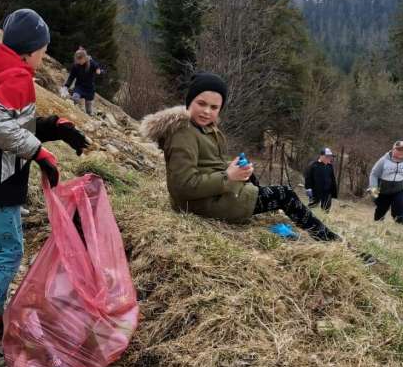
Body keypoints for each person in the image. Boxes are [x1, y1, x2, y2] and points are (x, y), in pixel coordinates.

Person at [0, 8, 89, 367]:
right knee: (9, 253)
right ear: (29, 50)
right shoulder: (17, 77)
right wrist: (40, 152)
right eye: (43, 49)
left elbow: (13, 122)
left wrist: (56, 127)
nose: (44, 56)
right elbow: (0, 127)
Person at [140, 72, 340, 241]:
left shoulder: (201, 127)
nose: (207, 111)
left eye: (214, 107)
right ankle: (329, 240)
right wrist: (228, 176)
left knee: (251, 179)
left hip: (208, 196)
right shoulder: (183, 133)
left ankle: (264, 209)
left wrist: (234, 168)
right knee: (284, 194)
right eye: (201, 103)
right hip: (198, 204)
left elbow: (206, 164)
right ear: (189, 101)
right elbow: (182, 187)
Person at [369, 140, 403, 225]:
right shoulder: (383, 160)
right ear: (393, 149)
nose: (401, 152)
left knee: (400, 207)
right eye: (399, 150)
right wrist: (373, 187)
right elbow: (374, 174)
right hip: (383, 191)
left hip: (399, 190)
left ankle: (399, 227)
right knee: (380, 211)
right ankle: (377, 225)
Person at [63, 48, 103, 116]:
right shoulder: (76, 66)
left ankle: (90, 117)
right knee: (75, 98)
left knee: (89, 111)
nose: (79, 62)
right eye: (78, 60)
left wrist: (98, 70)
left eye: (81, 60)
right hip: (79, 86)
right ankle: (71, 112)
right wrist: (66, 86)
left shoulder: (91, 63)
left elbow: (97, 67)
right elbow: (71, 77)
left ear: (85, 58)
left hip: (89, 88)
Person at [304, 148, 339, 212]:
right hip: (316, 190)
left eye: (330, 157)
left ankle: (323, 219)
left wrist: (333, 190)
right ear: (322, 156)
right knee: (313, 206)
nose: (329, 158)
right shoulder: (313, 165)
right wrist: (308, 188)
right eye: (327, 157)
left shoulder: (329, 166)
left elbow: (332, 178)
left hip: (327, 191)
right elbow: (308, 178)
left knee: (326, 209)